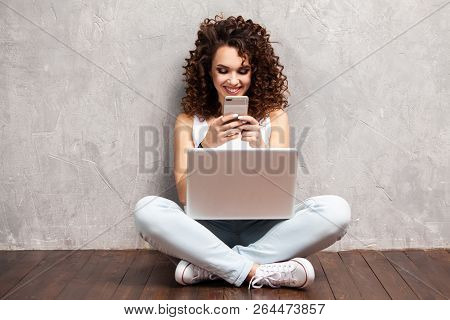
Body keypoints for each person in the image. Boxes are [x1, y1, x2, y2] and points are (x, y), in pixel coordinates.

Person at [134, 15, 351, 290]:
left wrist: (262, 148)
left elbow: (283, 195)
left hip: (264, 229)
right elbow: (185, 194)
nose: (233, 81)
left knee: (336, 211)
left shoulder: (274, 117)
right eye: (223, 70)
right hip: (207, 230)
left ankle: (214, 268)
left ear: (255, 72)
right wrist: (205, 146)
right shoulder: (188, 121)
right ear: (208, 72)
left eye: (243, 70)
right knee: (147, 210)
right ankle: (258, 271)